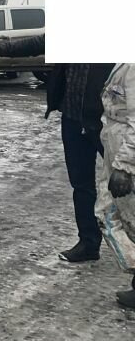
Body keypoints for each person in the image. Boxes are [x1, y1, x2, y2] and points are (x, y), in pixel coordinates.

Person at [0, 35, 114, 262]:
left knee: (126, 184)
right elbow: (37, 43)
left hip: (107, 122)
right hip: (73, 119)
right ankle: (88, 243)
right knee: (81, 184)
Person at [99, 63, 135, 308]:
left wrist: (124, 165)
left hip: (126, 149)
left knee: (115, 216)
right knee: (110, 214)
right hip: (116, 141)